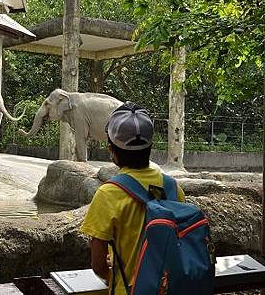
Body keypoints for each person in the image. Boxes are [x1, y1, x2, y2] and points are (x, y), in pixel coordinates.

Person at [79, 101, 185, 295]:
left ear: (112, 151)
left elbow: (98, 266)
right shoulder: (172, 187)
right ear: (150, 147)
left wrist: (118, 279)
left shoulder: (108, 194)